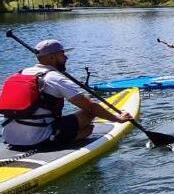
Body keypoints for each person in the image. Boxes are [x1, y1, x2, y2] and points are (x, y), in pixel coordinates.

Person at [1, 40, 132, 148]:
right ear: (52, 57)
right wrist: (118, 119)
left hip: (9, 138)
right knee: (89, 124)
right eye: (62, 54)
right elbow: (91, 107)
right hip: (38, 140)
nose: (66, 57)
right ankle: (67, 137)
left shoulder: (18, 74)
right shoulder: (54, 77)